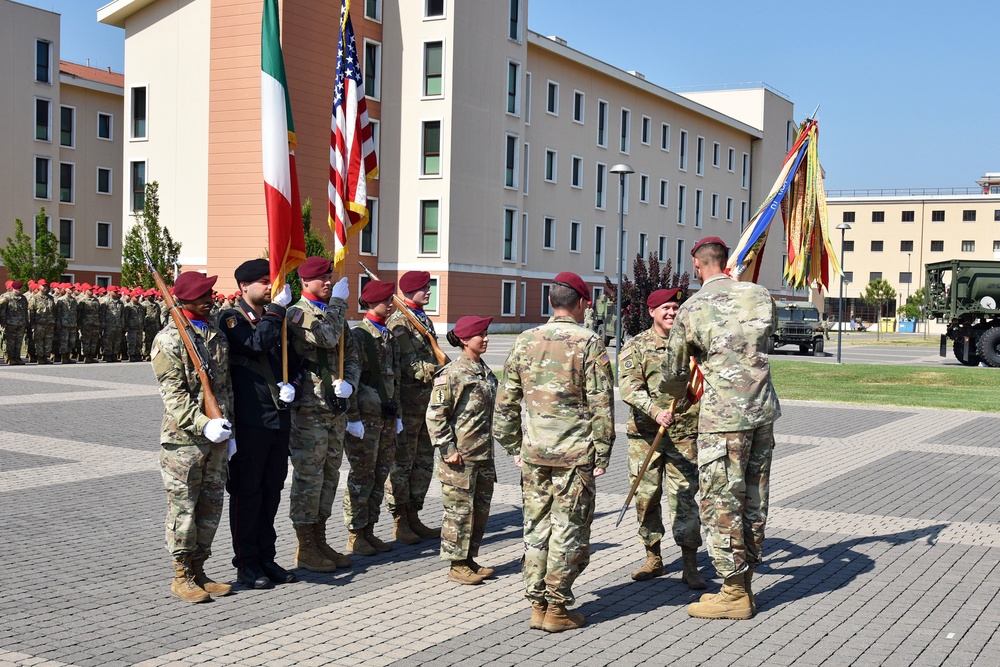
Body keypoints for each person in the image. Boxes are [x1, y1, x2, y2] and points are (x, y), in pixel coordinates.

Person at [659, 237, 780, 620]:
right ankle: (744, 584)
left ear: (697, 266)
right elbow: (765, 343)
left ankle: (733, 592)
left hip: (724, 420)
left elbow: (675, 371)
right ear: (725, 262)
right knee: (753, 499)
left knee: (721, 500)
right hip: (761, 411)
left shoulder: (693, 307)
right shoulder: (760, 295)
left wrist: (675, 392)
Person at [494, 272, 615, 633]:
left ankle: (537, 604)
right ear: (580, 303)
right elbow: (601, 405)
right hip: (574, 456)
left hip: (534, 454)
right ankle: (557, 608)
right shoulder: (590, 342)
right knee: (567, 529)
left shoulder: (525, 339)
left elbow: (505, 404)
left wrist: (514, 445)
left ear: (550, 302)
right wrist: (603, 453)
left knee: (535, 527)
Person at [150, 271, 235, 603]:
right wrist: (203, 424)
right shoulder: (168, 340)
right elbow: (174, 397)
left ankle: (200, 568)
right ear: (183, 299)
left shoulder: (214, 334)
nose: (209, 297)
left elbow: (224, 388)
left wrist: (229, 429)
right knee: (183, 509)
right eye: (202, 293)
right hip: (184, 441)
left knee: (211, 506)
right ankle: (181, 574)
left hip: (216, 438)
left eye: (210, 292)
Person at [221, 259, 300, 589]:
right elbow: (253, 345)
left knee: (271, 492)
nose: (271, 287)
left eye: (273, 281)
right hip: (249, 421)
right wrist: (277, 312)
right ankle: (247, 563)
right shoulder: (231, 318)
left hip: (278, 419)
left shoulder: (276, 320)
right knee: (247, 493)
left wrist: (294, 384)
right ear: (244, 287)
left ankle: (267, 556)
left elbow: (293, 360)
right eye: (265, 282)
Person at [619, 288, 706, 588]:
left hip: (684, 435)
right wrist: (655, 411)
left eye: (675, 307)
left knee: (684, 499)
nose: (671, 313)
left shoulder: (692, 346)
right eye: (665, 308)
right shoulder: (637, 347)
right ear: (652, 311)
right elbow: (629, 389)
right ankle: (653, 556)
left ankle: (690, 564)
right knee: (646, 498)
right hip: (646, 437)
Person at [285, 256, 360, 572]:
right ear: (304, 282)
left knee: (330, 477)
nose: (328, 282)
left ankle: (320, 539)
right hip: (310, 411)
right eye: (321, 278)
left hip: (334, 411)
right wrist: (340, 304)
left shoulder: (333, 312)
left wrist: (351, 386)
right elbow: (326, 337)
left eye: (330, 277)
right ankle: (305, 547)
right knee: (309, 478)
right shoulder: (298, 313)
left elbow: (352, 354)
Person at [427, 315, 497, 585]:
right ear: (466, 339)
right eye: (482, 334)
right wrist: (447, 448)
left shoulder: (484, 370)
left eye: (488, 333)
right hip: (459, 457)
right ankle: (456, 564)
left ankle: (469, 558)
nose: (487, 339)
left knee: (479, 510)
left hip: (482, 455)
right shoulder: (452, 373)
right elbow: (435, 416)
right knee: (459, 512)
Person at [343, 280, 403, 556]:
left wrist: (398, 413)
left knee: (380, 475)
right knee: (362, 475)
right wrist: (352, 417)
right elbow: (352, 378)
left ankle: (369, 529)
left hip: (386, 415)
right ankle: (355, 534)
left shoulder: (388, 334)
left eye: (390, 299)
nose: (390, 304)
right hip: (366, 417)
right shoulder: (360, 335)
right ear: (369, 303)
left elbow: (395, 378)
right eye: (385, 300)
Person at [385, 270, 444, 543]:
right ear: (409, 291)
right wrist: (443, 371)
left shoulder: (421, 317)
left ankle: (413, 514)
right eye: (424, 288)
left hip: (426, 403)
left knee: (423, 461)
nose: (429, 292)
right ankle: (400, 520)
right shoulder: (400, 321)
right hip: (407, 403)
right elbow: (410, 366)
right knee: (403, 463)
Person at [1, 280, 28, 365]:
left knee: (19, 342)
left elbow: (25, 311)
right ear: (13, 288)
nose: (19, 290)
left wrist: (26, 321)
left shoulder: (23, 298)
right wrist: (3, 322)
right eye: (17, 288)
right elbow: (2, 311)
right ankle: (10, 358)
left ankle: (17, 357)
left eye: (20, 288)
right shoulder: (6, 297)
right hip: (10, 323)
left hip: (21, 323)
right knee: (10, 342)